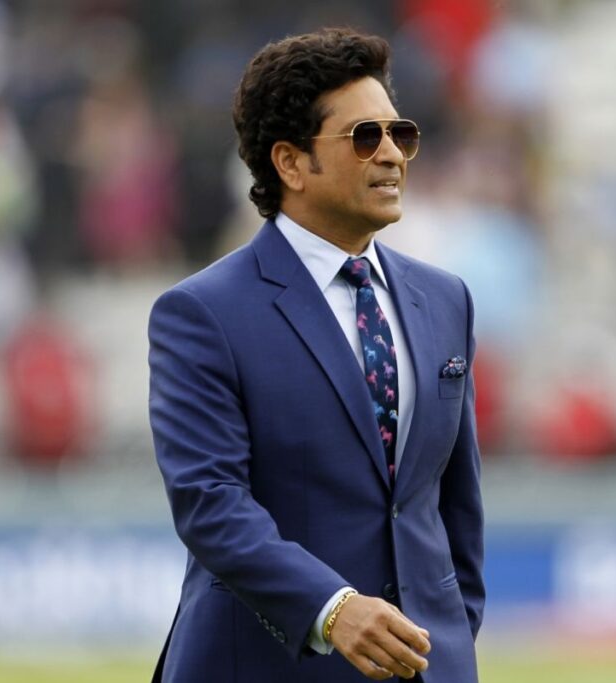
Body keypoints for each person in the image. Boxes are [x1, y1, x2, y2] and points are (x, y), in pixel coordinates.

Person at [148, 28, 484, 682]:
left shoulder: (446, 300)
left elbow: (454, 502)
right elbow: (210, 502)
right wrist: (332, 609)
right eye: (365, 137)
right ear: (291, 162)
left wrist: (452, 633)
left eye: (400, 134)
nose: (391, 155)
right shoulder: (202, 313)